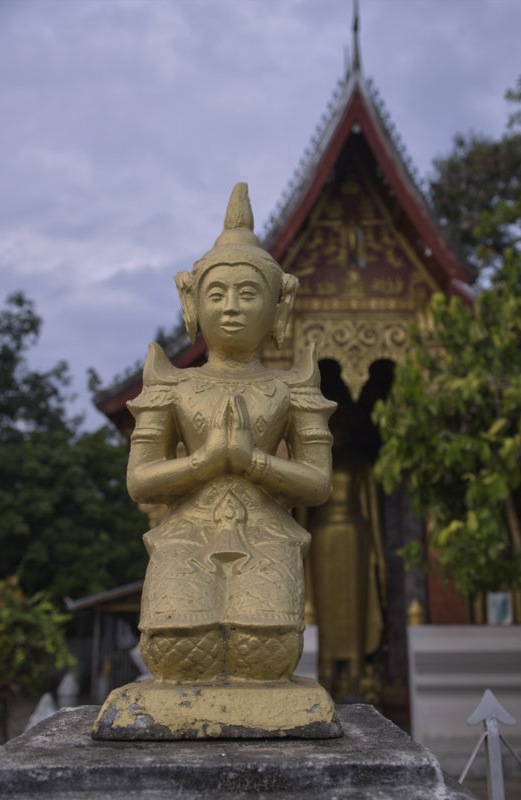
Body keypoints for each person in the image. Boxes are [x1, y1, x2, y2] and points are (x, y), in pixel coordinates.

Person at [126, 183, 336, 684]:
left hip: (265, 536)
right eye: (216, 294)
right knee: (175, 654)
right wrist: (206, 462)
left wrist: (250, 461)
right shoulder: (172, 383)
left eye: (248, 293)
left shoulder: (292, 386)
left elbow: (318, 483)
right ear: (191, 301)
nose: (231, 307)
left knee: (266, 657)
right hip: (185, 537)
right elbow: (140, 482)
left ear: (278, 307)